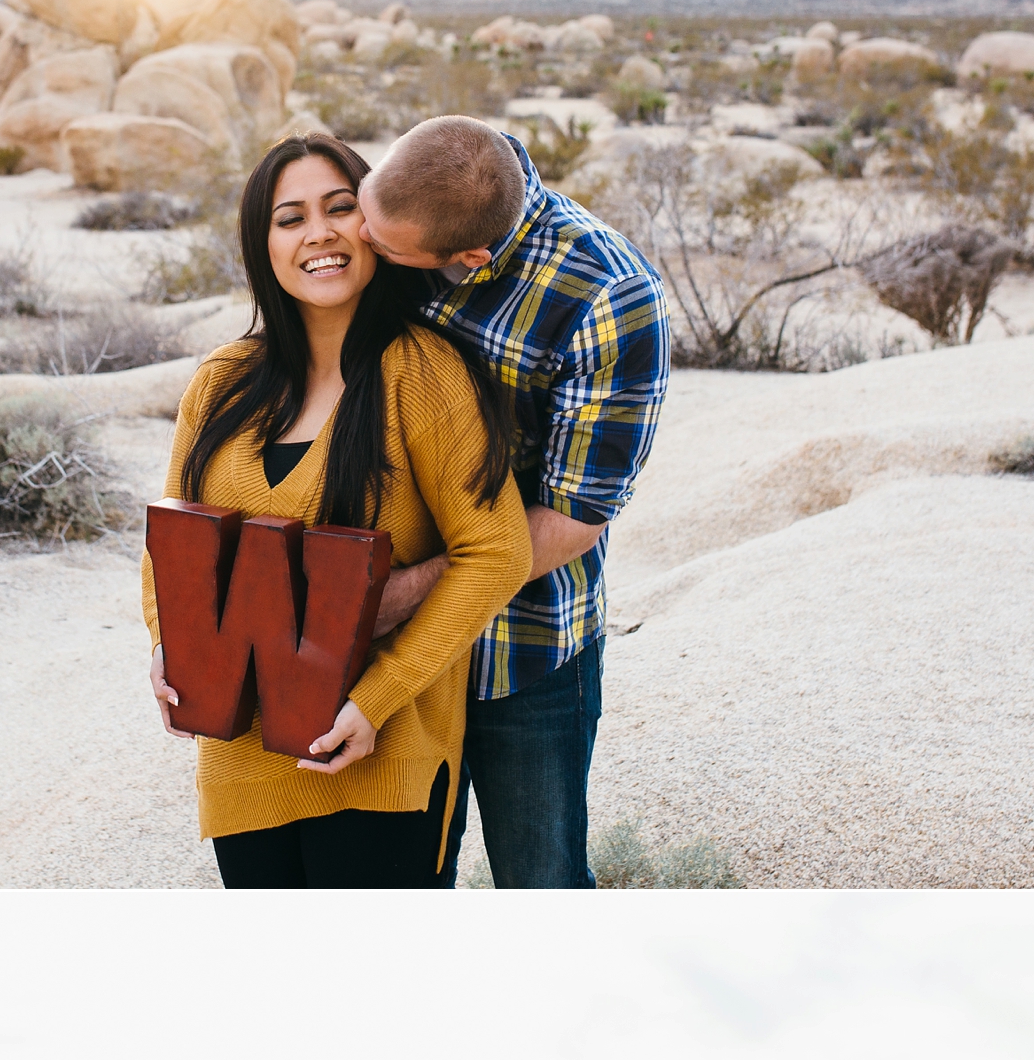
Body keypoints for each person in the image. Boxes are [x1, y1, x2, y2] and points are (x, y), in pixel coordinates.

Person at [145, 135, 530, 888]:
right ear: (264, 247)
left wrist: (376, 700)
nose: (318, 232)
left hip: (378, 755)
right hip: (241, 760)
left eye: (340, 207)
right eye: (290, 218)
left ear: (375, 226)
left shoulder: (425, 372)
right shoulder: (220, 382)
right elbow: (170, 538)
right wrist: (168, 642)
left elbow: (497, 550)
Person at [356, 117, 672, 889]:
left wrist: (407, 592)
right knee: (393, 881)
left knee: (541, 880)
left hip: (520, 650)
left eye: (386, 248)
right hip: (382, 657)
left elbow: (573, 518)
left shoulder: (610, 297)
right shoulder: (437, 180)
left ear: (469, 260)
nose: (360, 242)